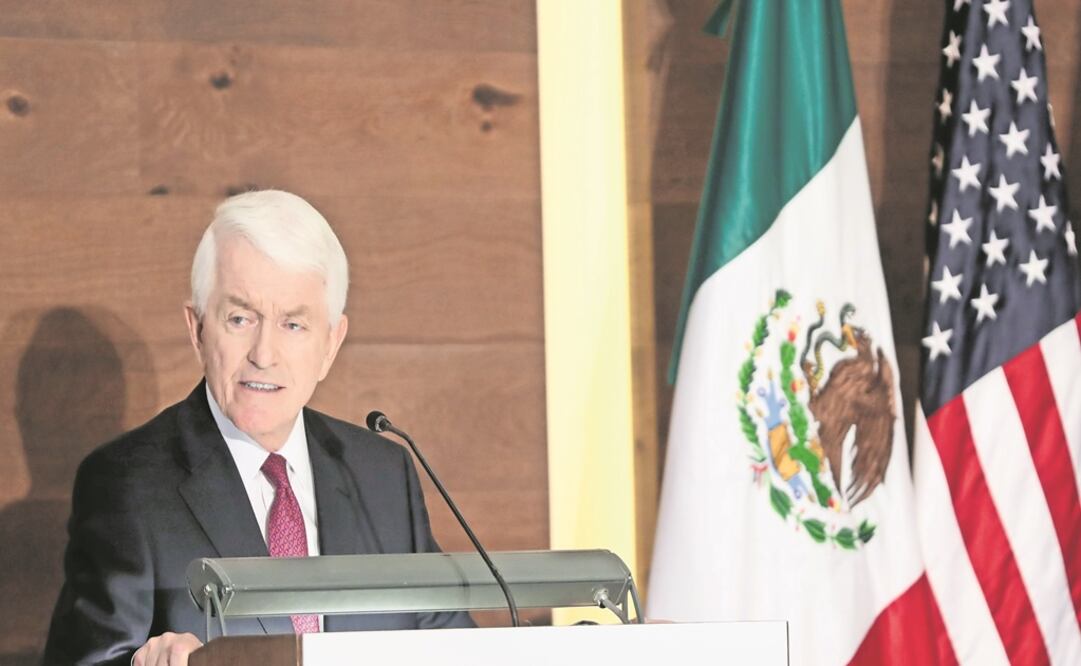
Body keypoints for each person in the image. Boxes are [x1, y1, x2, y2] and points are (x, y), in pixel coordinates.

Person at [43, 190, 474, 666]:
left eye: (293, 325)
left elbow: (454, 648)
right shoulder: (127, 485)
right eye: (240, 318)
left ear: (331, 344)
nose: (263, 354)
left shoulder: (383, 474)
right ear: (198, 329)